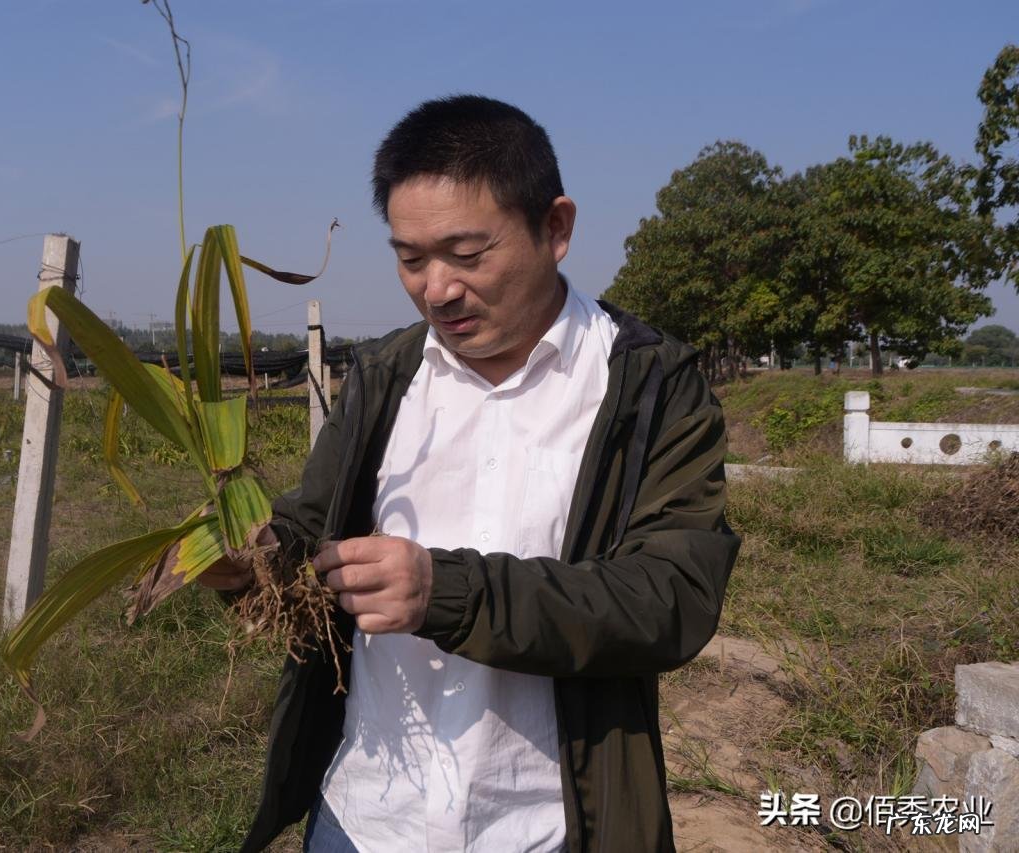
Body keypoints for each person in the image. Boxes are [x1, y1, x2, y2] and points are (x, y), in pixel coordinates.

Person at [202, 94, 740, 853]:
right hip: (366, 816)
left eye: (466, 253)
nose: (437, 288)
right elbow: (310, 528)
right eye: (410, 258)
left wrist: (444, 591)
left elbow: (670, 598)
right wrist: (247, 555)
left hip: (546, 827)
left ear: (555, 228)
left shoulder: (650, 386)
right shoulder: (386, 375)